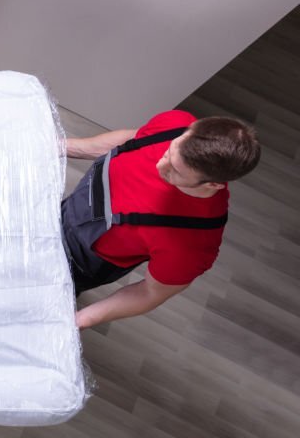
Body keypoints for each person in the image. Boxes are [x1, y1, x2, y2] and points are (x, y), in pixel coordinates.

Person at [63, 110, 260, 329]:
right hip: (63, 212)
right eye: (169, 152)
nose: (159, 166)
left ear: (212, 184)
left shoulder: (193, 244)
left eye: (175, 171)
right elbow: (130, 139)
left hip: (74, 265)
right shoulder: (175, 122)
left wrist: (79, 321)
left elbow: (149, 293)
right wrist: (61, 147)